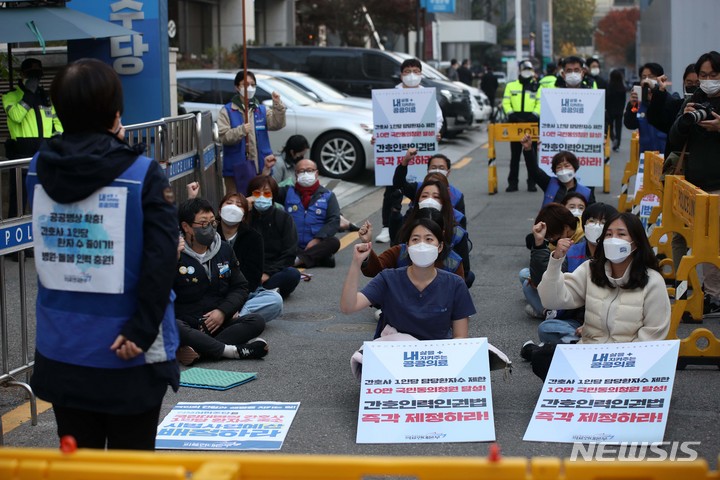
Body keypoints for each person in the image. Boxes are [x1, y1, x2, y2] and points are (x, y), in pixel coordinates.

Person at [26, 58, 178, 450]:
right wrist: (142, 331)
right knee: (131, 466)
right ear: (116, 111)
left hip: (62, 348)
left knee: (80, 464)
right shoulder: (141, 173)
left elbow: (82, 168)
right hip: (127, 349)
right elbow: (161, 260)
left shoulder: (39, 167)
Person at [522, 212, 671, 380]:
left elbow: (653, 334)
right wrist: (556, 261)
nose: (613, 239)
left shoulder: (652, 280)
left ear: (636, 242)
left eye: (621, 234)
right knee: (542, 358)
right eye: (608, 234)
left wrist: (617, 365)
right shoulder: (590, 269)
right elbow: (552, 300)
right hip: (590, 355)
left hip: (628, 363)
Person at [341, 218, 475, 376]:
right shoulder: (388, 279)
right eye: (415, 239)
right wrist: (356, 262)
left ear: (439, 247)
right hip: (393, 357)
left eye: (429, 239)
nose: (422, 245)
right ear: (408, 247)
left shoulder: (455, 284)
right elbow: (349, 306)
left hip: (436, 360)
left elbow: (460, 337)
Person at [174, 198, 269, 366]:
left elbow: (240, 287)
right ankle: (232, 351)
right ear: (186, 227)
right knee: (172, 325)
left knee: (256, 321)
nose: (210, 228)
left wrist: (222, 311)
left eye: (212, 222)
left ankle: (199, 351)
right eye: (203, 224)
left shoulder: (224, 249)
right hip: (187, 323)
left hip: (216, 322)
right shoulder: (175, 253)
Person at [669, 51, 720, 315]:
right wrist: (684, 120)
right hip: (691, 182)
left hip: (717, 184)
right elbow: (674, 140)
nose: (708, 80)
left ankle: (714, 296)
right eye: (703, 75)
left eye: (713, 75)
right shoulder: (693, 99)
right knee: (679, 235)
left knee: (713, 239)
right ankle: (685, 290)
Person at [376, 58, 443, 244]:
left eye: (415, 70)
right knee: (393, 188)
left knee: (420, 186)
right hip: (396, 150)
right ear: (401, 74)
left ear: (421, 73)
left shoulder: (428, 95)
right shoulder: (390, 95)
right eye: (407, 71)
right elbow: (382, 121)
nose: (411, 74)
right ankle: (387, 226)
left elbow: (437, 119)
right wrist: (378, 137)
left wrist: (435, 134)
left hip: (421, 150)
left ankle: (423, 220)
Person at [536, 202, 619, 344]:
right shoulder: (572, 251)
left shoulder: (618, 257)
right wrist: (556, 259)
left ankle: (573, 345)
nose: (597, 226)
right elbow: (555, 290)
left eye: (603, 222)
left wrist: (593, 327)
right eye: (592, 221)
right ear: (584, 224)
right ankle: (580, 343)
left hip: (613, 324)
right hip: (575, 318)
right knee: (546, 328)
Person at [3, 58, 63, 218]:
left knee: (45, 199)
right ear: (22, 74)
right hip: (20, 157)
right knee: (18, 202)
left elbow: (57, 120)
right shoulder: (10, 96)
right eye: (31, 75)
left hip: (44, 154)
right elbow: (16, 116)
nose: (35, 79)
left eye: (37, 75)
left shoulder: (46, 98)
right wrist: (28, 95)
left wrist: (57, 138)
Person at [217, 193, 284, 322]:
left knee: (275, 300)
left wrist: (234, 304)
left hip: (244, 292)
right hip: (215, 293)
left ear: (244, 216)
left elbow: (253, 277)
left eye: (239, 205)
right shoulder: (210, 235)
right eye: (229, 203)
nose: (233, 208)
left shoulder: (253, 237)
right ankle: (239, 320)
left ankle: (237, 319)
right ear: (220, 210)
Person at [217, 70, 286, 196]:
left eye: (253, 85)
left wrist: (278, 105)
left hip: (261, 166)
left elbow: (277, 124)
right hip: (236, 169)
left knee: (259, 199)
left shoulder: (261, 110)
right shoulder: (227, 111)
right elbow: (224, 137)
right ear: (237, 87)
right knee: (237, 201)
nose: (249, 88)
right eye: (245, 84)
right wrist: (241, 131)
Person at [274, 159, 340, 268]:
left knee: (334, 242)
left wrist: (317, 239)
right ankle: (314, 259)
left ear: (316, 173)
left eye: (309, 170)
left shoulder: (328, 195)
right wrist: (266, 171)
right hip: (291, 243)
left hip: (316, 243)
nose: (305, 174)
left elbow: (334, 220)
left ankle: (299, 259)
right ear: (296, 174)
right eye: (301, 171)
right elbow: (267, 189)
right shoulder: (286, 192)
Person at [245, 175, 302, 298]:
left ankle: (257, 291)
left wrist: (268, 273)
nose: (261, 197)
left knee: (292, 274)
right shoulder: (244, 217)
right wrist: (243, 209)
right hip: (246, 272)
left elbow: (289, 253)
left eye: (266, 194)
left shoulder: (284, 218)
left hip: (273, 272)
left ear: (273, 196)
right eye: (256, 193)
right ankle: (261, 292)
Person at [520, 203, 578, 319]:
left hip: (570, 293)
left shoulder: (578, 243)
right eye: (548, 237)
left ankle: (544, 312)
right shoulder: (562, 239)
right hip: (557, 285)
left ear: (566, 227)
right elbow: (542, 277)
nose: (551, 240)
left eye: (552, 235)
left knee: (527, 286)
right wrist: (539, 242)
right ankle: (543, 310)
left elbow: (550, 278)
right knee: (524, 275)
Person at [391, 147, 466, 237]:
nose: (430, 199)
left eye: (436, 196)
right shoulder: (412, 211)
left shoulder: (457, 202)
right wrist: (405, 161)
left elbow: (461, 241)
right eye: (425, 195)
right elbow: (398, 238)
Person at [521, 134, 595, 206]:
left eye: (567, 166)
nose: (563, 169)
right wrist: (528, 149)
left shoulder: (586, 192)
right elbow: (534, 171)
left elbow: (593, 214)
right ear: (555, 171)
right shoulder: (549, 184)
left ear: (574, 168)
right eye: (559, 167)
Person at [502, 60, 541, 192]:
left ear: (532, 71)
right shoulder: (511, 86)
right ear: (520, 70)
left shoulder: (537, 86)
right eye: (524, 69)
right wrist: (511, 114)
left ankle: (532, 182)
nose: (526, 72)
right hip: (515, 123)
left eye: (529, 69)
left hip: (531, 123)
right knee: (515, 156)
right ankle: (513, 183)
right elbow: (506, 102)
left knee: (532, 155)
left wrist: (535, 115)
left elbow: (540, 102)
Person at [624, 62, 668, 154]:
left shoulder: (668, 100)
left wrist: (657, 94)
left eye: (651, 76)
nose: (647, 80)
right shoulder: (639, 104)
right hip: (645, 158)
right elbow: (630, 124)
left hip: (665, 156)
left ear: (661, 79)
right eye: (644, 77)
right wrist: (633, 105)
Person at [646, 63, 699, 139]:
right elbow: (654, 119)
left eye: (698, 83)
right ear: (684, 82)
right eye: (689, 83)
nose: (693, 86)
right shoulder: (677, 106)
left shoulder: (712, 107)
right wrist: (660, 91)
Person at [606, 69, 627, 151]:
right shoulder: (622, 88)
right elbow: (624, 100)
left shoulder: (609, 87)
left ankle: (613, 138)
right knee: (619, 128)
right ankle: (617, 145)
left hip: (610, 110)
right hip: (619, 111)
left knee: (609, 127)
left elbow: (607, 99)